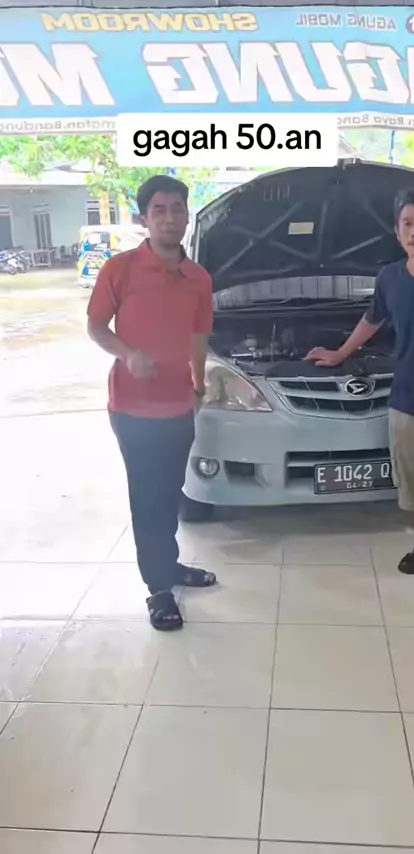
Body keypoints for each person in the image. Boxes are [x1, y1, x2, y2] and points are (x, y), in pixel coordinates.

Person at [306, 186, 414, 611]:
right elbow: (373, 319)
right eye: (407, 223)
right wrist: (340, 353)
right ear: (397, 231)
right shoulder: (390, 277)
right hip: (405, 400)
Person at [87, 175, 216, 631]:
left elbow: (199, 334)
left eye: (177, 209)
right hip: (132, 408)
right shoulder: (119, 269)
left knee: (171, 492)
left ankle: (169, 564)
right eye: (159, 210)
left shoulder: (198, 277)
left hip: (179, 405)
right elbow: (96, 326)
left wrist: (198, 384)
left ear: (187, 216)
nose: (169, 218)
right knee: (147, 497)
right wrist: (128, 354)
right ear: (144, 218)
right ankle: (159, 589)